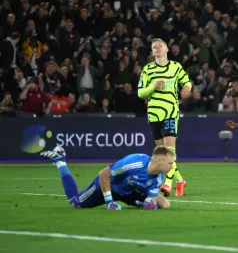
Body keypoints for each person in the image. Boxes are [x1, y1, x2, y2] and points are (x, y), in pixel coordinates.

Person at [39, 145, 174, 210]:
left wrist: (149, 202)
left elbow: (152, 196)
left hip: (128, 192)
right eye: (170, 163)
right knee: (76, 205)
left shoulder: (158, 177)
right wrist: (109, 202)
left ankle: (134, 202)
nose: (172, 166)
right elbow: (104, 174)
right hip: (109, 186)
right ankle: (61, 162)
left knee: (165, 205)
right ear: (159, 161)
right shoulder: (134, 163)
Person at [138, 38, 192, 197]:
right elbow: (140, 92)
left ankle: (168, 184)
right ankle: (180, 180)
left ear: (167, 49)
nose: (157, 48)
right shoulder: (147, 69)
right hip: (153, 114)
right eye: (154, 47)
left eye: (159, 46)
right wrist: (152, 86)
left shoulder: (176, 67)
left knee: (169, 151)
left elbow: (187, 82)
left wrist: (187, 88)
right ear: (152, 51)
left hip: (170, 112)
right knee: (161, 154)